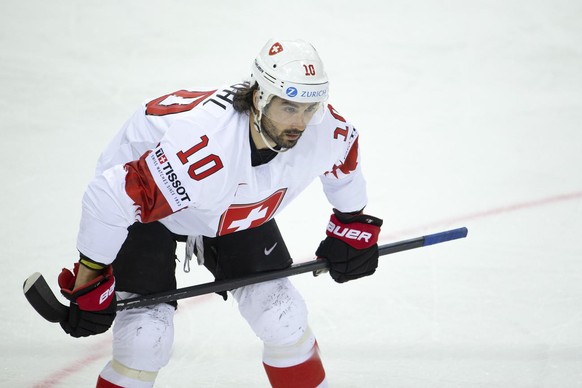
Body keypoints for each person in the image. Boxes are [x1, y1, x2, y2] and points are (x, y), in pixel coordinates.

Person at [57, 39, 383, 387]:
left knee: (281, 314)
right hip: (150, 212)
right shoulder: (204, 149)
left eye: (309, 107)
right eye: (289, 107)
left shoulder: (322, 129)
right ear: (260, 98)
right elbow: (108, 198)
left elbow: (344, 156)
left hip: (229, 203)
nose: (301, 123)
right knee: (144, 339)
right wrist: (90, 277)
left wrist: (350, 224)